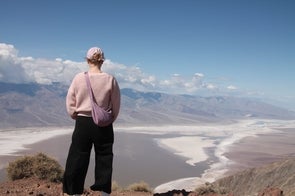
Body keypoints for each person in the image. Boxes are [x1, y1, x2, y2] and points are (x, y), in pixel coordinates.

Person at [63, 47, 121, 196]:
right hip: (103, 124)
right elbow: (116, 104)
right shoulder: (110, 79)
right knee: (104, 157)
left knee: (78, 157)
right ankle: (103, 193)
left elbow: (70, 101)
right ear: (102, 61)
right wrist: (109, 119)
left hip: (82, 122)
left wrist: (75, 115)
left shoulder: (78, 78)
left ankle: (74, 193)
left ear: (87, 60)